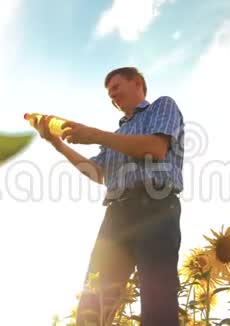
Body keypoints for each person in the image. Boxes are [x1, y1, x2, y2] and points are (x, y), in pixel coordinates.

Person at [33, 67, 184, 326]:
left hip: (156, 208)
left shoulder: (162, 106)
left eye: (115, 87)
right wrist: (58, 145)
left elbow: (155, 148)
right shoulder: (115, 136)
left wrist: (93, 134)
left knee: (158, 298)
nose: (112, 95)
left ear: (137, 83)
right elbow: (97, 172)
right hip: (117, 213)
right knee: (95, 300)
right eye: (108, 93)